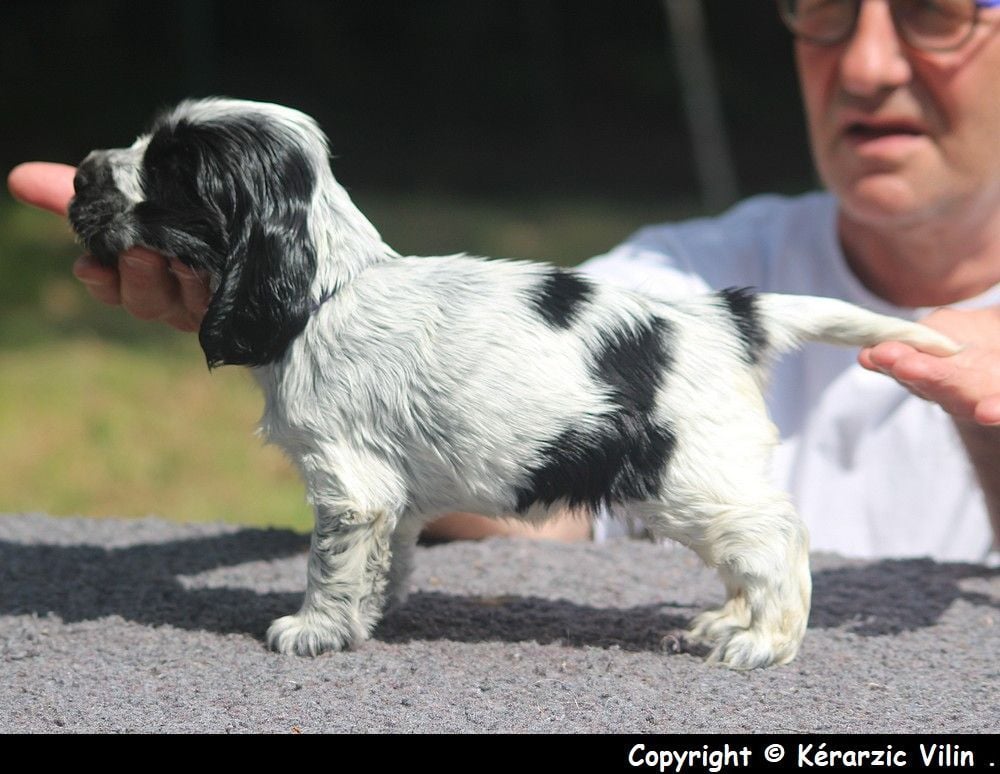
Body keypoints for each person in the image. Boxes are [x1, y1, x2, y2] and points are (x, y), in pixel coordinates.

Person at [8, 0, 1000, 561]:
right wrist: (313, 334)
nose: (864, 64)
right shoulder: (695, 275)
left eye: (936, 9)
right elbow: (546, 500)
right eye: (827, 7)